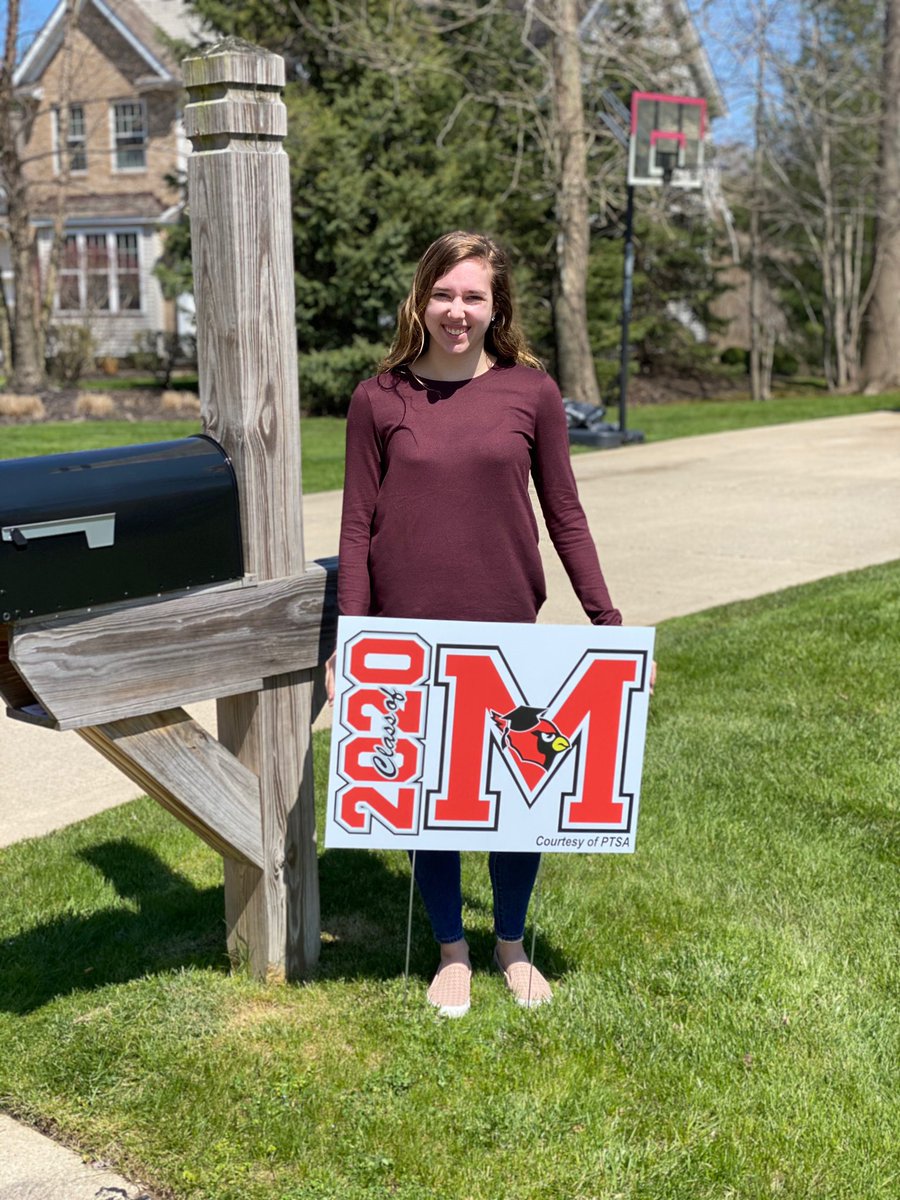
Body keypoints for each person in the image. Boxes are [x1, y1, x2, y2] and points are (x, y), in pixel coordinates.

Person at [326, 230, 623, 1017]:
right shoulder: (377, 398)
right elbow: (356, 527)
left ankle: (512, 943)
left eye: (474, 297)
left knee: (519, 796)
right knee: (434, 802)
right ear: (421, 299)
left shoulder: (531, 393)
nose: (458, 311)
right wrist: (353, 640)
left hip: (508, 629)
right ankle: (452, 950)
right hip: (408, 635)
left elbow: (566, 515)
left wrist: (607, 622)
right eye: (445, 294)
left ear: (497, 308)